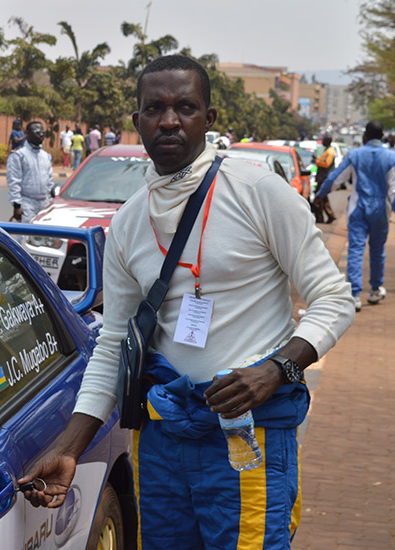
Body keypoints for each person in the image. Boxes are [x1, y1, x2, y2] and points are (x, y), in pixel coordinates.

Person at [18, 55, 354, 549]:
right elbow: (115, 342)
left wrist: (276, 369)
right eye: (154, 108)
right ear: (137, 122)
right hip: (162, 440)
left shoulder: (259, 193)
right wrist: (71, 446)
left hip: (247, 437)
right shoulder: (130, 222)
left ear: (209, 119)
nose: (169, 119)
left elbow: (334, 299)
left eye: (185, 107)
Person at [316, 120, 395, 311]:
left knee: (356, 250)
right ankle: (375, 289)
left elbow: (335, 179)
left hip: (358, 209)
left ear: (364, 136)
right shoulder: (390, 158)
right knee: (377, 250)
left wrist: (320, 195)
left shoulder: (355, 155)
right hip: (380, 210)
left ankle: (355, 295)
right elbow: (393, 189)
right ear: (381, 136)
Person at [6, 121, 54, 223]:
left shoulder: (46, 156)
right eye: (37, 131)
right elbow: (14, 181)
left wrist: (50, 202)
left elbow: (50, 181)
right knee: (25, 237)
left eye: (42, 131)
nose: (41, 134)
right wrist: (17, 206)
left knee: (45, 237)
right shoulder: (19, 155)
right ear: (27, 133)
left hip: (45, 203)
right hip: (27, 203)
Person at [312, 135, 337, 224]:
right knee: (322, 197)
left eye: (324, 140)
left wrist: (317, 160)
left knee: (319, 196)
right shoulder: (327, 150)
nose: (322, 141)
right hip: (322, 177)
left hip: (324, 177)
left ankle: (322, 216)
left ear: (327, 141)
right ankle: (327, 215)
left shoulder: (330, 151)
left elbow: (326, 164)